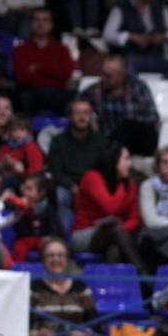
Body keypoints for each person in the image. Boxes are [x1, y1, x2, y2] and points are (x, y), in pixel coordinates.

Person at [72, 143, 145, 271]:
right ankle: (142, 276)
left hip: (115, 234)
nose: (130, 164)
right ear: (114, 160)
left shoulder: (131, 185)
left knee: (115, 249)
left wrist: (122, 230)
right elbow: (110, 207)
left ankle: (112, 288)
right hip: (85, 234)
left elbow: (134, 219)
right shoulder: (92, 177)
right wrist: (121, 186)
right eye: (126, 159)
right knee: (114, 230)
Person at [47, 99, 110, 236]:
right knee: (62, 195)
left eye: (86, 113)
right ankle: (68, 238)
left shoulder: (101, 140)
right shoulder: (58, 141)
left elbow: (106, 169)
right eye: (78, 113)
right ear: (70, 116)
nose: (82, 117)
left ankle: (95, 237)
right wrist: (72, 186)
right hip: (69, 184)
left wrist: (91, 187)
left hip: (94, 184)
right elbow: (55, 171)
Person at [78, 54, 160, 156]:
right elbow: (74, 109)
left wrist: (129, 125)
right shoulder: (93, 92)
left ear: (122, 75)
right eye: (102, 74)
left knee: (133, 128)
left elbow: (152, 118)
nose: (104, 79)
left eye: (109, 76)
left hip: (135, 142)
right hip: (106, 142)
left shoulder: (138, 89)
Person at [12, 7, 75, 114]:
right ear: (31, 24)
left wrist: (38, 67)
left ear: (51, 25)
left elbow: (66, 74)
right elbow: (21, 78)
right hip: (30, 96)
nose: (40, 24)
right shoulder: (20, 50)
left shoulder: (62, 49)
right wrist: (51, 70)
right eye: (36, 20)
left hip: (56, 95)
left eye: (45, 20)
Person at [102, 0, 168, 78]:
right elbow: (108, 35)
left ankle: (162, 88)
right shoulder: (121, 8)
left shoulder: (161, 8)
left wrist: (163, 37)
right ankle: (135, 90)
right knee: (127, 69)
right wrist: (130, 37)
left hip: (157, 57)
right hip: (132, 57)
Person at [10, 173, 64, 261]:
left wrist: (49, 237)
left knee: (51, 247)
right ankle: (17, 270)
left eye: (29, 189)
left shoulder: (49, 209)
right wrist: (21, 213)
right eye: (25, 188)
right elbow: (18, 230)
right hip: (26, 240)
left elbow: (57, 230)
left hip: (43, 240)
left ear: (41, 192)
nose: (25, 192)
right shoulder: (20, 207)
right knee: (19, 247)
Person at [0, 115, 45, 185]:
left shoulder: (32, 148)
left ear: (28, 132)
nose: (18, 134)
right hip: (4, 179)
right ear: (10, 132)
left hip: (26, 181)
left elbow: (36, 170)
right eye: (14, 130)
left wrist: (22, 172)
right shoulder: (5, 148)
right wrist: (3, 163)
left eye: (22, 130)